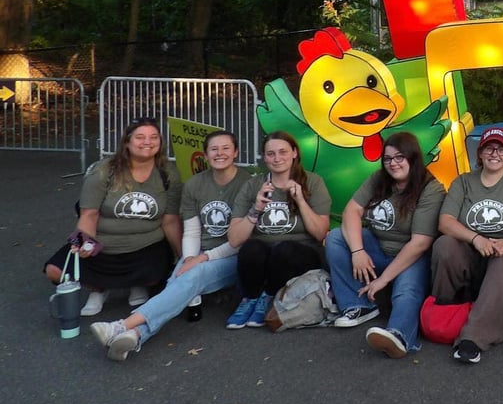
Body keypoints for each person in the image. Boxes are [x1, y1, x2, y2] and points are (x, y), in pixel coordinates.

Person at [88, 130, 251, 360]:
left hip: (234, 256)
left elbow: (240, 240)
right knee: (181, 278)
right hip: (201, 253)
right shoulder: (195, 184)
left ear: (236, 152)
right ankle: (135, 335)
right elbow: (193, 231)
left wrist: (200, 260)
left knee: (192, 275)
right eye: (214, 149)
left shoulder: (248, 184)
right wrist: (188, 258)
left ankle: (123, 324)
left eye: (226, 148)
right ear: (205, 154)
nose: (220, 153)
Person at [44, 118, 181, 317]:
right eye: (140, 137)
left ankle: (137, 284)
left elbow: (170, 220)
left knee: (157, 276)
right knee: (54, 271)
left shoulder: (168, 173)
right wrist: (84, 242)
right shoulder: (104, 171)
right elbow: (88, 214)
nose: (147, 142)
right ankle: (99, 289)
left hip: (145, 245)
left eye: (153, 137)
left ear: (160, 142)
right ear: (127, 142)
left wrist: (183, 257)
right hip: (103, 243)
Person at [325, 131, 445, 358]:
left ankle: (399, 335)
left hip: (411, 256)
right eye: (388, 159)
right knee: (336, 237)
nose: (392, 164)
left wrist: (383, 279)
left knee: (406, 290)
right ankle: (357, 306)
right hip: (377, 248)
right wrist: (358, 251)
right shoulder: (379, 178)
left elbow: (420, 243)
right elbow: (352, 210)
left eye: (399, 157)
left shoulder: (431, 189)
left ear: (413, 158)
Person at [431, 125, 503, 364]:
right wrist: (475, 238)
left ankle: (474, 338)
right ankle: (445, 314)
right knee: (445, 245)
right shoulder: (463, 183)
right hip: (470, 254)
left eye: (501, 149)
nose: (495, 154)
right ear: (479, 153)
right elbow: (445, 222)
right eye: (489, 148)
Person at [225, 131, 331, 329]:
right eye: (271, 154)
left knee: (284, 250)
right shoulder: (253, 185)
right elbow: (234, 239)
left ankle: (269, 296)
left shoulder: (313, 182)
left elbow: (320, 233)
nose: (277, 158)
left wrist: (300, 200)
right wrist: (256, 209)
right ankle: (250, 299)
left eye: (283, 152)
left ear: (294, 153)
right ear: (264, 158)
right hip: (265, 251)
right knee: (252, 248)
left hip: (300, 251)